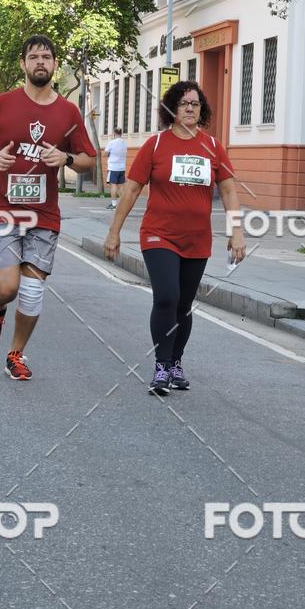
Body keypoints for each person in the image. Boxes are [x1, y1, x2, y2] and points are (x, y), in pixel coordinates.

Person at [104, 80, 246, 396]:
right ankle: (161, 365)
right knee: (167, 296)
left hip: (197, 240)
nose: (190, 108)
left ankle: (176, 363)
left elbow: (228, 191)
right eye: (183, 103)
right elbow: (131, 190)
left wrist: (236, 231)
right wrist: (114, 232)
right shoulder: (155, 145)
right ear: (172, 109)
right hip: (159, 235)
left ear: (201, 109)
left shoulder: (213, 147)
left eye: (195, 103)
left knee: (183, 305)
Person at [0, 34, 96, 381]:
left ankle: (16, 354)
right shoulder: (2, 103)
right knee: (7, 287)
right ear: (23, 64)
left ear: (55, 64)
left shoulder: (68, 112)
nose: (41, 62)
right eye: (34, 56)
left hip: (44, 215)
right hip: (4, 210)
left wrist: (66, 157)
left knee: (32, 290)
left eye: (47, 57)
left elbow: (88, 160)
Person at [105, 128, 127, 209]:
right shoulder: (124, 143)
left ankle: (114, 204)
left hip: (113, 167)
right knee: (121, 186)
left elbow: (106, 153)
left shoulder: (111, 143)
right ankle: (122, 204)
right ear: (121, 133)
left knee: (113, 185)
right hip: (122, 167)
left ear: (114, 133)